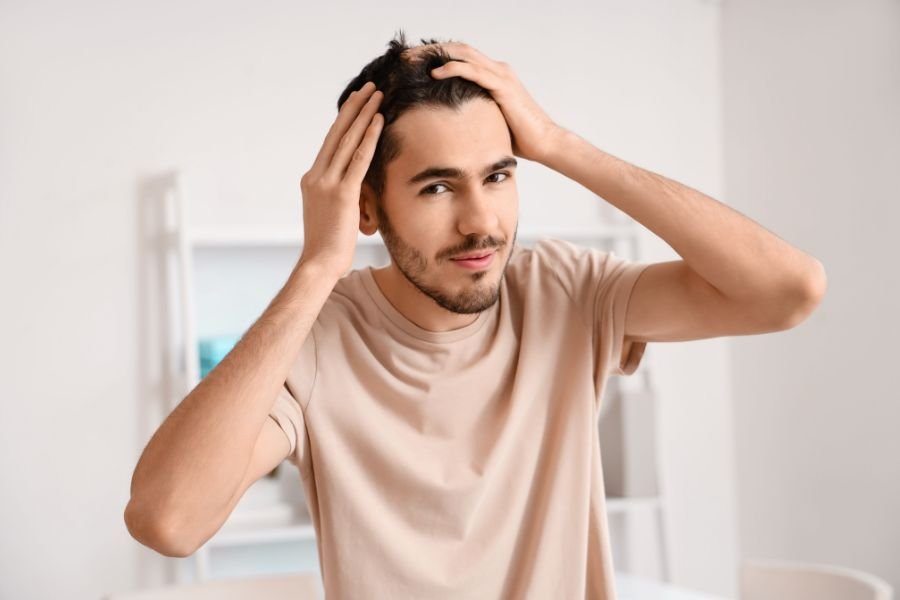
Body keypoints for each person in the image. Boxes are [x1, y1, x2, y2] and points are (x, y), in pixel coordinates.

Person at [125, 30, 827, 599]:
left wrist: (558, 143)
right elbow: (168, 522)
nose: (481, 223)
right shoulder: (318, 341)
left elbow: (787, 292)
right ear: (366, 205)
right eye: (437, 187)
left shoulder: (565, 292)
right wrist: (316, 267)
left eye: (498, 176)